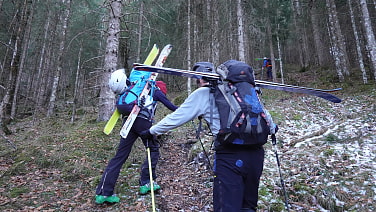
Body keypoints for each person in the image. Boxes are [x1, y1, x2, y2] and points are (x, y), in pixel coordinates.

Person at [141, 61, 270, 212]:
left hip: (230, 156)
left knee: (227, 207)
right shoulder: (246, 92)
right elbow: (269, 124)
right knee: (248, 206)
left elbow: (176, 118)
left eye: (197, 80)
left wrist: (151, 131)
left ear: (201, 78)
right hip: (256, 155)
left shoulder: (204, 93)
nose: (197, 83)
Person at [95, 78, 178, 204]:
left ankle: (104, 193)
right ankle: (146, 183)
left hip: (128, 123)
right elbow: (171, 106)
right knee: (153, 150)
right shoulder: (155, 90)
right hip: (143, 122)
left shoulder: (133, 90)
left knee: (119, 157)